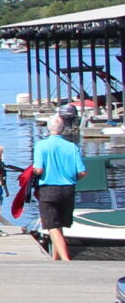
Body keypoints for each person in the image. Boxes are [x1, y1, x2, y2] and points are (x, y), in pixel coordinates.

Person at [31, 112, 86, 261]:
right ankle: (55, 259)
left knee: (52, 226)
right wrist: (71, 177)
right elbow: (82, 172)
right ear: (62, 129)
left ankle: (66, 260)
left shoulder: (41, 145)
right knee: (59, 225)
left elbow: (39, 169)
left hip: (48, 189)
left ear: (48, 129)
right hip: (68, 189)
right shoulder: (72, 147)